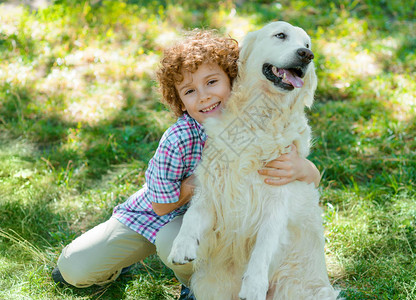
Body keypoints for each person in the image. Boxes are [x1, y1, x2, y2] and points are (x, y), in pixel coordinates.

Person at [51, 30, 321, 299]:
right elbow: (160, 205)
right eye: (190, 91)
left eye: (212, 82)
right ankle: (117, 265)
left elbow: (284, 185)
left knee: (173, 241)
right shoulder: (179, 138)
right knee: (75, 269)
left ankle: (192, 286)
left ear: (233, 79)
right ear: (179, 101)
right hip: (153, 213)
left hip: (210, 224)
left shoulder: (248, 123)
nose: (204, 97)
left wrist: (306, 169)